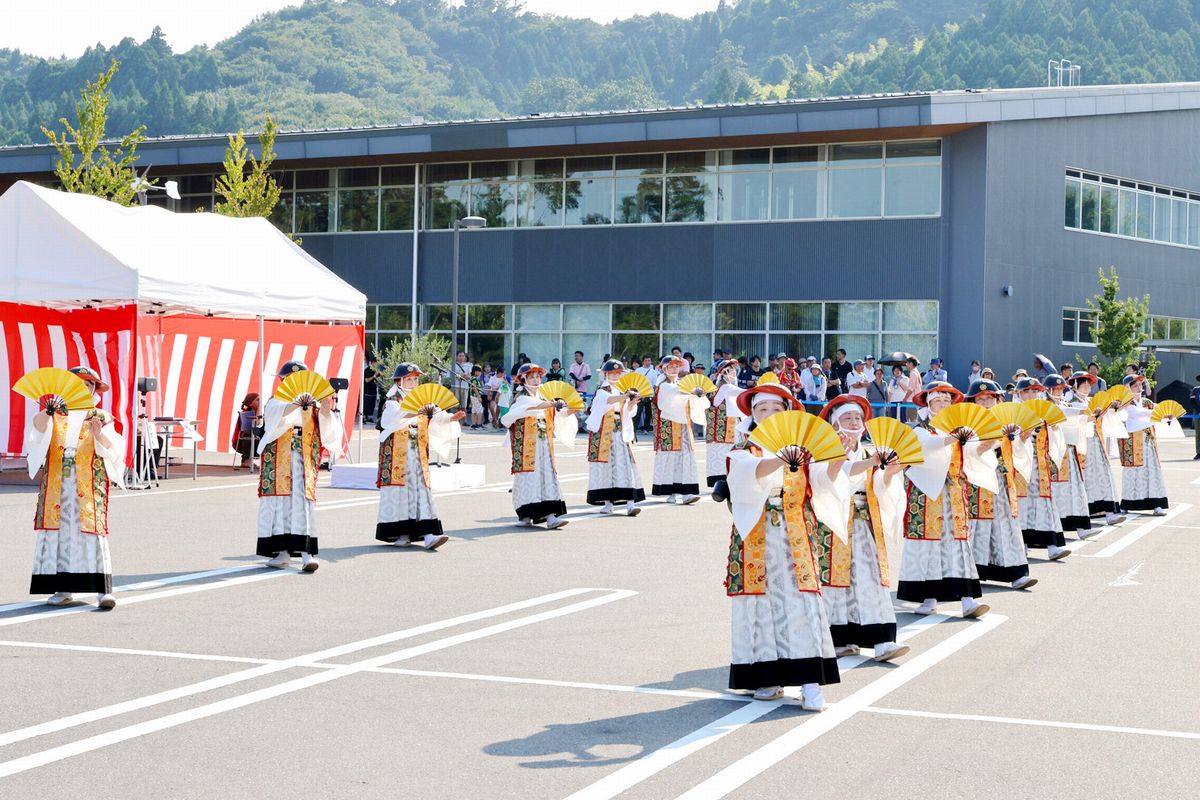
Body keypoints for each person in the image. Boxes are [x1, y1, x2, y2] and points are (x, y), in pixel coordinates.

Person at [724, 382, 842, 709]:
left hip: (795, 535)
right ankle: (767, 675)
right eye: (762, 410)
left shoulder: (804, 449)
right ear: (752, 414)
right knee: (761, 605)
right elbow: (745, 478)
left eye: (777, 409)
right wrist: (778, 458)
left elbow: (822, 482)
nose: (770, 415)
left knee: (802, 603)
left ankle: (811, 682)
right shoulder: (744, 447)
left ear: (787, 413)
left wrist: (837, 457)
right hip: (758, 534)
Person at [818, 395, 910, 662]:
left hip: (863, 523)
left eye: (858, 417)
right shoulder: (826, 449)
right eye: (847, 417)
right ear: (835, 422)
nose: (854, 422)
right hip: (834, 522)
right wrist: (871, 464)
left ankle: (882, 639)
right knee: (834, 582)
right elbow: (836, 476)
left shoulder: (870, 452)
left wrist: (892, 472)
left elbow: (879, 483)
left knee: (870, 578)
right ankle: (839, 637)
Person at [27, 366, 125, 609]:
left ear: (93, 389)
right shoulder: (55, 413)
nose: (84, 388)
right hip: (58, 484)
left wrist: (99, 434)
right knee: (60, 534)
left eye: (88, 384)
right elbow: (36, 432)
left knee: (92, 535)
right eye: (78, 384)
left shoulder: (100, 416)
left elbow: (114, 450)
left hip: (88, 483)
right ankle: (63, 587)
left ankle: (103, 591)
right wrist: (47, 413)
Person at [897, 381, 990, 618]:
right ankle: (929, 598)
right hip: (927, 494)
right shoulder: (920, 429)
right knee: (929, 545)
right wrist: (952, 439)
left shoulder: (960, 430)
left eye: (947, 401)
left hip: (953, 495)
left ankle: (967, 600)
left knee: (957, 543)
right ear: (928, 404)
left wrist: (985, 446)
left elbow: (971, 454)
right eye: (937, 400)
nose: (943, 404)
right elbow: (928, 446)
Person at [256, 361, 343, 572]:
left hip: (304, 453)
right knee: (279, 502)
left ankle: (306, 552)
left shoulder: (313, 401)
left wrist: (324, 410)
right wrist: (295, 404)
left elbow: (327, 426)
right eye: (288, 379)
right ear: (283, 381)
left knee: (302, 500)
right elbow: (273, 417)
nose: (292, 382)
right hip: (279, 454)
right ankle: (282, 552)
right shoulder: (276, 400)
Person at [376, 363, 463, 550]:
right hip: (398, 450)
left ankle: (428, 534)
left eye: (416, 379)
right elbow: (390, 420)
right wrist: (416, 412)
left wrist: (450, 418)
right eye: (409, 379)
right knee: (400, 491)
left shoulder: (423, 399)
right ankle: (402, 533)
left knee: (421, 488)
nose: (414, 382)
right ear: (399, 381)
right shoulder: (393, 399)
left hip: (417, 449)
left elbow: (437, 415)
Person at [963, 380, 1037, 590]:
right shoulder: (966, 424)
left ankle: (1016, 572)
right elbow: (967, 452)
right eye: (980, 398)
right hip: (975, 479)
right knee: (976, 524)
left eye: (990, 398)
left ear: (997, 400)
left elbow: (1018, 452)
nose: (986, 402)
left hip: (1001, 478)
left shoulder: (1006, 420)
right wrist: (991, 443)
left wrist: (1021, 440)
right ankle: (972, 572)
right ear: (973, 401)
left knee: (1006, 523)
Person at [501, 363, 576, 529]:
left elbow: (557, 416)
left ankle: (551, 517)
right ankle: (525, 515)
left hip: (543, 444)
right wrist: (550, 404)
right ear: (524, 380)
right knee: (528, 478)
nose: (536, 380)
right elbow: (529, 408)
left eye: (538, 377)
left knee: (547, 477)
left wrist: (570, 410)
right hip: (528, 447)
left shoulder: (545, 398)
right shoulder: (521, 398)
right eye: (531, 377)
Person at [1013, 377, 1071, 561]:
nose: (1031, 395)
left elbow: (1057, 438)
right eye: (1026, 392)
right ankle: (1022, 545)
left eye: (1034, 391)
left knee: (1045, 503)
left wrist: (1053, 428)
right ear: (1019, 394)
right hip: (1020, 465)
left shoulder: (1045, 411)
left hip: (1040, 463)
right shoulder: (1012, 412)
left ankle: (1052, 545)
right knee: (1022, 503)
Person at [585, 359, 645, 516]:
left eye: (618, 373)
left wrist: (632, 402)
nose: (615, 376)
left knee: (625, 465)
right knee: (606, 466)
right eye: (612, 373)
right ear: (606, 374)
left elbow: (630, 411)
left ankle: (630, 504)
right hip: (604, 431)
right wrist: (625, 396)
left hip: (619, 430)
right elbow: (607, 400)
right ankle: (608, 503)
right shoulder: (602, 390)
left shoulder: (624, 390)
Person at [652, 355, 708, 504]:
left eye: (676, 366)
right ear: (664, 369)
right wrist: (691, 392)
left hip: (683, 424)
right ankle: (670, 492)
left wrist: (697, 395)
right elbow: (671, 398)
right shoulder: (664, 385)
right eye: (670, 366)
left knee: (685, 457)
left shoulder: (681, 384)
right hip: (669, 426)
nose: (674, 369)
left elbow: (684, 394)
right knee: (672, 458)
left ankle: (686, 492)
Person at [1072, 373, 1126, 526]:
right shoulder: (1072, 403)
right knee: (1086, 478)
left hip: (1097, 444)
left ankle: (1110, 513)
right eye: (1084, 385)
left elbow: (1108, 413)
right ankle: (1087, 513)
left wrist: (1113, 406)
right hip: (1082, 446)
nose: (1088, 388)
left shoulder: (1092, 401)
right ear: (1075, 386)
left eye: (1089, 385)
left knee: (1103, 477)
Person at [1119, 374, 1169, 515]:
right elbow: (1136, 414)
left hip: (1148, 443)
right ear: (1127, 388)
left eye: (1140, 385)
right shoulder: (1125, 403)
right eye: (1135, 385)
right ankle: (1126, 503)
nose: (1139, 387)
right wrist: (1159, 414)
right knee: (1132, 473)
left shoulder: (1146, 401)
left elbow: (1158, 408)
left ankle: (1156, 504)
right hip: (1132, 444)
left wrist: (1167, 412)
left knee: (1151, 472)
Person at [705, 359, 745, 488]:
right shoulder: (726, 387)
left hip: (726, 427)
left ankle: (723, 480)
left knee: (723, 454)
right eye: (732, 369)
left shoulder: (722, 387)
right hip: (725, 427)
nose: (734, 372)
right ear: (725, 372)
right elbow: (744, 393)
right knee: (726, 453)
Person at [233, 392, 260, 470]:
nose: (260, 402)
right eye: (257, 400)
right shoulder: (246, 413)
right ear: (250, 403)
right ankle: (246, 460)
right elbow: (254, 426)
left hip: (254, 435)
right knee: (249, 434)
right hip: (245, 438)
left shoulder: (261, 412)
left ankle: (249, 460)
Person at [635, 355, 661, 432]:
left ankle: (646, 428)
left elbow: (655, 384)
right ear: (643, 362)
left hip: (649, 394)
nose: (647, 362)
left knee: (648, 413)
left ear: (651, 361)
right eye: (646, 360)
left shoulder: (653, 372)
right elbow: (635, 382)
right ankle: (634, 428)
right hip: (640, 394)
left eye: (649, 360)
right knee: (637, 412)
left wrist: (654, 394)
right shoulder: (638, 370)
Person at [363, 356, 381, 424]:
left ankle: (370, 417)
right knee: (366, 405)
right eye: (377, 363)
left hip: (374, 391)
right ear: (373, 362)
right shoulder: (367, 370)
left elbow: (380, 379)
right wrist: (374, 376)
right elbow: (366, 380)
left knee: (372, 405)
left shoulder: (377, 371)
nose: (378, 365)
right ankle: (364, 417)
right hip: (367, 391)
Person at [1192, 374, 1200, 460]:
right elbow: (1192, 401)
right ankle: (1198, 452)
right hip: (1197, 414)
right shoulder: (1196, 389)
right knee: (1198, 434)